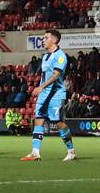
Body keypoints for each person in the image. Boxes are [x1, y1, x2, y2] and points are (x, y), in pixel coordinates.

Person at [21, 30, 77, 162]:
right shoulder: (45, 56)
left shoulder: (61, 56)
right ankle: (35, 152)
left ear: (54, 40)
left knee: (58, 122)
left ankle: (71, 151)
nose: (43, 40)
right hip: (44, 94)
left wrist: (41, 87)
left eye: (46, 38)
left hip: (56, 94)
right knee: (38, 120)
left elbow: (56, 75)